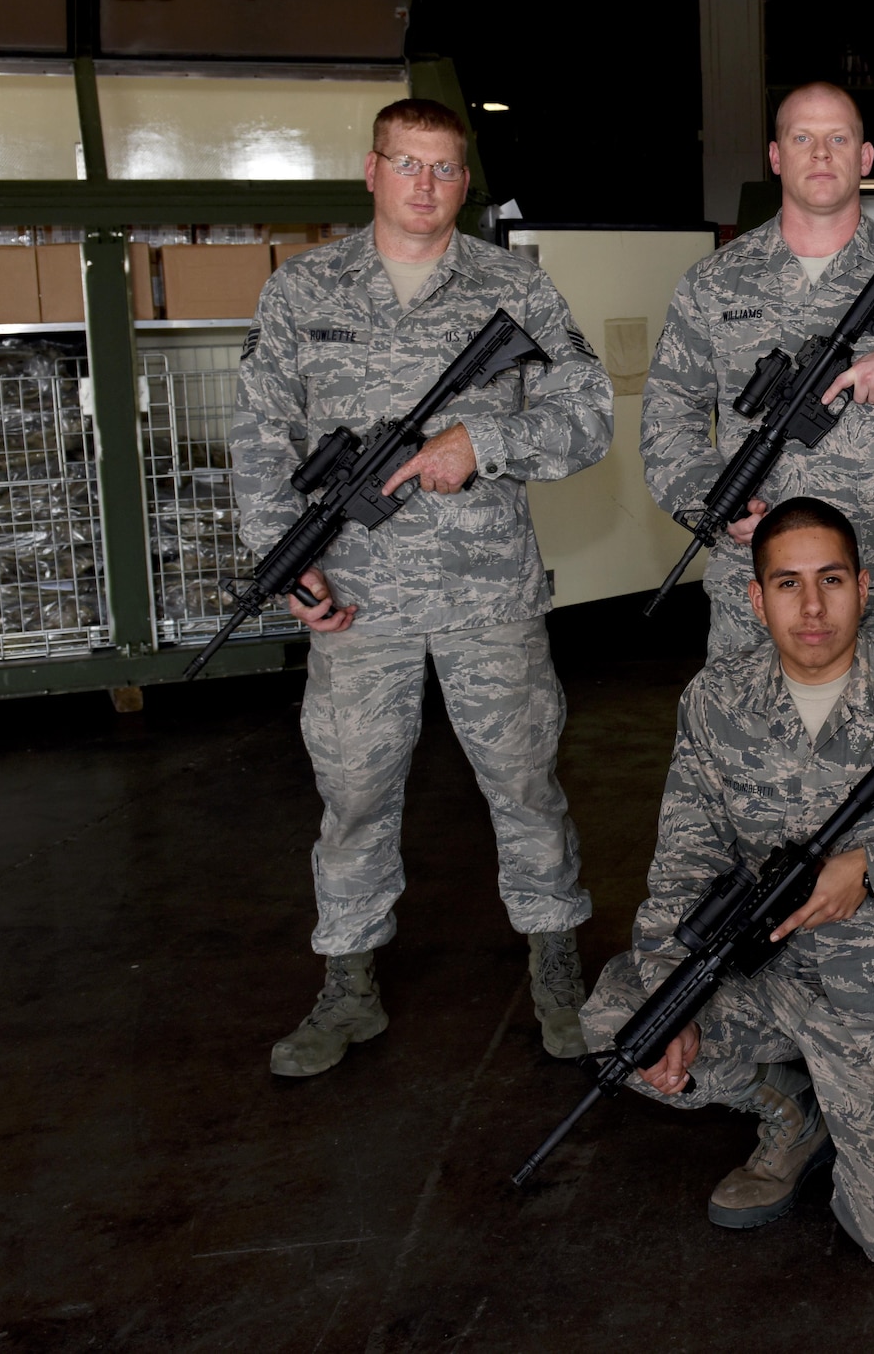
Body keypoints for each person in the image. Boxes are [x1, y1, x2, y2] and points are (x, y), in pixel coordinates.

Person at [233, 98, 613, 1078]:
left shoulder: (510, 288)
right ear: (371, 170)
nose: (426, 186)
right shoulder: (302, 289)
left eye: (446, 169)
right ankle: (348, 983)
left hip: (489, 594)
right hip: (355, 599)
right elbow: (258, 436)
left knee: (525, 784)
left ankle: (556, 963)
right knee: (354, 792)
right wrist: (285, 557)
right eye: (408, 164)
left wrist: (482, 442)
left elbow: (585, 416)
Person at [579, 497, 874, 1267]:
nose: (811, 607)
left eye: (831, 581)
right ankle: (795, 1109)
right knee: (619, 1026)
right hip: (764, 977)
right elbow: (683, 868)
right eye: (787, 583)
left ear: (864, 588)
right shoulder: (715, 702)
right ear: (755, 596)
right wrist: (674, 993)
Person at [642, 82, 874, 659]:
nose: (821, 154)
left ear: (864, 157)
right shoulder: (714, 282)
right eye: (803, 138)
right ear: (775, 157)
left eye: (837, 138)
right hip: (763, 587)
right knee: (756, 746)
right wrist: (713, 507)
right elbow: (668, 420)